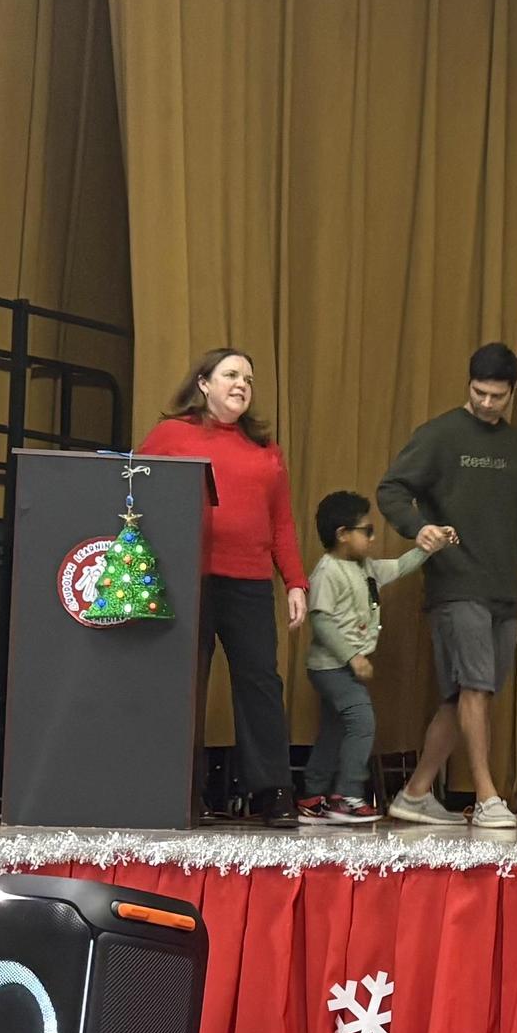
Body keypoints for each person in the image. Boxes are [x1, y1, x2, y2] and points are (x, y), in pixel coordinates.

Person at [377, 343, 517, 831]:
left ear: (512, 392)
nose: (487, 403)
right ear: (468, 385)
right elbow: (392, 489)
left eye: (497, 395)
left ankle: (415, 794)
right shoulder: (440, 435)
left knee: (467, 696)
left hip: (503, 588)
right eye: (479, 393)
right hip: (455, 583)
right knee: (475, 686)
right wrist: (418, 528)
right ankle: (487, 796)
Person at [137, 347, 308, 827]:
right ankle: (176, 789)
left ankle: (273, 792)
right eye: (231, 375)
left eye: (248, 379)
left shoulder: (264, 448)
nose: (241, 385)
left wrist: (295, 581)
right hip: (188, 579)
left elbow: (281, 522)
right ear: (204, 383)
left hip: (249, 580)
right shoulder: (172, 435)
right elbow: (136, 493)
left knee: (260, 683)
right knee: (185, 682)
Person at [301, 491, 452, 821]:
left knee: (334, 729)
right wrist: (353, 657)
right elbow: (322, 622)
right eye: (366, 531)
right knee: (362, 721)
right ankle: (347, 795)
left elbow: (399, 566)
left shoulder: (365, 568)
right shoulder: (327, 571)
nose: (372, 537)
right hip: (331, 667)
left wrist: (430, 547)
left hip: (342, 668)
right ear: (343, 534)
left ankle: (313, 795)